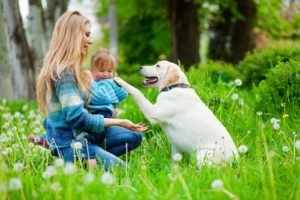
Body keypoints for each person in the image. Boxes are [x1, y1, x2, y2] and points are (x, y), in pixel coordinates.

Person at [35, 11, 147, 170]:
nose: (90, 40)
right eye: (86, 35)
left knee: (135, 135)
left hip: (86, 135)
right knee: (124, 172)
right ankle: (78, 160)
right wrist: (120, 122)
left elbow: (81, 105)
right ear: (73, 36)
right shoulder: (64, 75)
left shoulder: (73, 71)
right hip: (73, 144)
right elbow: (77, 118)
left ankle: (94, 158)